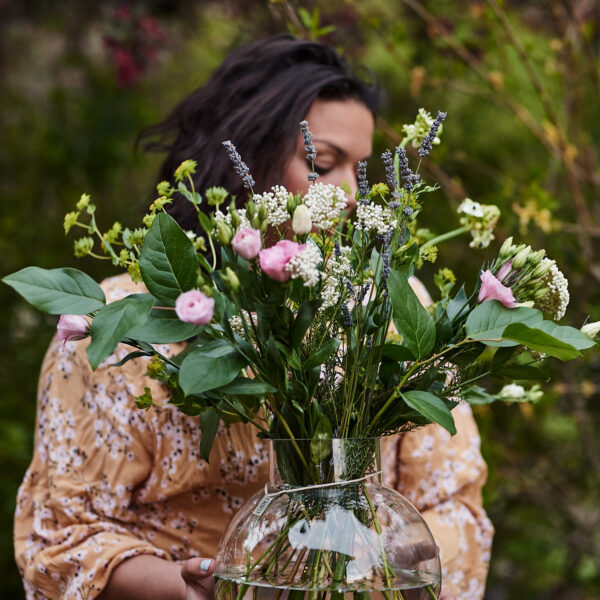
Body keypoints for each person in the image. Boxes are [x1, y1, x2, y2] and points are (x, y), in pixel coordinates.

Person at [14, 35, 493, 600]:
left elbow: (452, 502)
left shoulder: (387, 303)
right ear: (244, 156)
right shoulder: (122, 321)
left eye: (361, 172)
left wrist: (371, 575)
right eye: (322, 163)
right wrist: (187, 587)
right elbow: (63, 535)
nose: (347, 195)